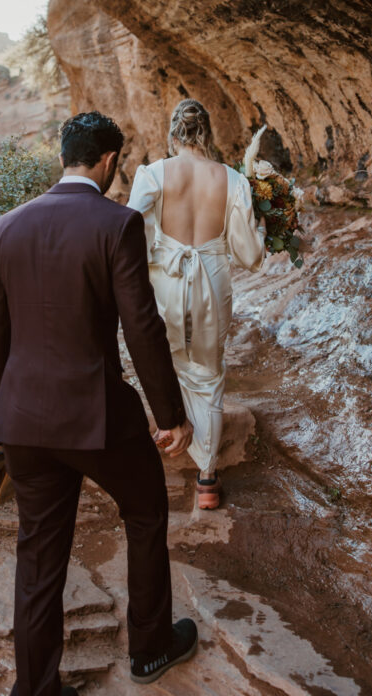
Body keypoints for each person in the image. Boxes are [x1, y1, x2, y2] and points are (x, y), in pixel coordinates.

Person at [0, 111, 197, 696]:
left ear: (62, 157)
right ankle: (150, 649)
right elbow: (141, 327)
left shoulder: (7, 225)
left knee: (39, 554)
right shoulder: (116, 223)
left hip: (22, 418)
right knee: (147, 511)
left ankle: (37, 688)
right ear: (107, 162)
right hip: (97, 416)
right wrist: (170, 415)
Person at [128, 99, 266, 510]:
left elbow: (132, 234)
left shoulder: (153, 174)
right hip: (212, 280)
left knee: (163, 360)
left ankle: (170, 434)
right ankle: (207, 479)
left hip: (165, 283)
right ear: (207, 135)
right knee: (207, 372)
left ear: (173, 137)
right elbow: (248, 255)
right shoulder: (232, 180)